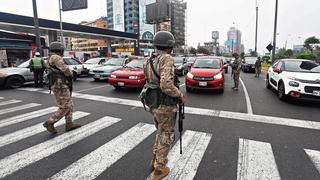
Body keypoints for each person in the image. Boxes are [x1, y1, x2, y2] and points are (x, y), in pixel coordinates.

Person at [144, 31, 186, 180]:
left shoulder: (149, 59)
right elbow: (166, 85)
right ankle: (159, 170)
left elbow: (150, 81)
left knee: (160, 131)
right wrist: (180, 95)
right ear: (170, 45)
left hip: (153, 103)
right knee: (166, 135)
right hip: (165, 104)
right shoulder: (167, 58)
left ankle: (154, 160)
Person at [43, 42, 81, 134]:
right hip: (60, 85)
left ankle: (69, 123)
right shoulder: (55, 57)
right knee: (65, 106)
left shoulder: (50, 57)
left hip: (59, 84)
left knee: (69, 105)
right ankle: (50, 122)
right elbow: (65, 69)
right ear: (59, 50)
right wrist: (72, 73)